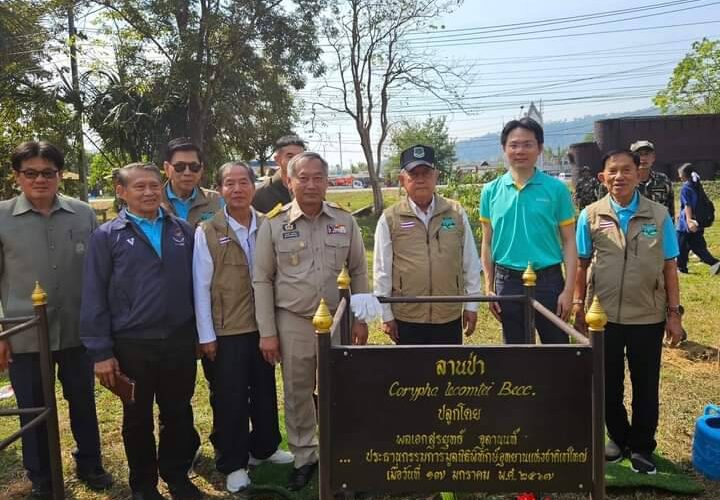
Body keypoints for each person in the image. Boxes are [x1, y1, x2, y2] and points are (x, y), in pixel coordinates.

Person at [80, 163, 202, 500]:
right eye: (139, 187)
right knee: (137, 419)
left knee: (178, 411)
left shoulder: (182, 231)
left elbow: (197, 286)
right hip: (132, 344)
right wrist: (101, 352)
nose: (148, 192)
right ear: (122, 192)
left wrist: (199, 334)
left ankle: (177, 477)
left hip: (178, 340)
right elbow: (94, 295)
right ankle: (143, 486)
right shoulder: (107, 236)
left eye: (153, 186)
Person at [0, 141, 112, 499]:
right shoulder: (1, 217)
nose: (40, 180)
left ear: (59, 175)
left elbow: (100, 273)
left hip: (79, 331)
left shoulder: (82, 214)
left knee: (83, 401)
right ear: (17, 176)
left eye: (48, 172)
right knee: (32, 408)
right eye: (30, 173)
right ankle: (41, 478)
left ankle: (91, 464)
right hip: (25, 333)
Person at [253, 152, 369, 491]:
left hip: (339, 321)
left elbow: (359, 269)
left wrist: (360, 317)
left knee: (342, 390)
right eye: (302, 177)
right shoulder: (274, 224)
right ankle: (305, 457)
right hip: (294, 320)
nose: (311, 184)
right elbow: (262, 279)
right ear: (289, 182)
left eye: (318, 177)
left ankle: (343, 455)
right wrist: (268, 332)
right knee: (298, 392)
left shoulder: (344, 221)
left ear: (327, 181)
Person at [574, 149, 684, 475]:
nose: (619, 176)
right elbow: (581, 265)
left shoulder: (659, 215)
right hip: (602, 317)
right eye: (613, 171)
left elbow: (670, 268)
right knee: (607, 384)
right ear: (602, 178)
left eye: (626, 170)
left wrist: (674, 314)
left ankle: (642, 446)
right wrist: (579, 306)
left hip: (648, 316)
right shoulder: (590, 215)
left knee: (645, 386)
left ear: (639, 174)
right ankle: (618, 439)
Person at [193, 161, 293, 493]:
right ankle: (234, 463)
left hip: (265, 325)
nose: (237, 189)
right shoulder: (208, 230)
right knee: (230, 397)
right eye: (229, 184)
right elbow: (200, 286)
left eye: (243, 183)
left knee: (265, 390)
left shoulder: (270, 224)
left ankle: (264, 449)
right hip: (227, 329)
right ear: (219, 190)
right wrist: (206, 335)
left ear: (254, 185)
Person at [479, 117, 578, 344]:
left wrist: (568, 290)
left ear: (539, 148)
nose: (520, 150)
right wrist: (489, 286)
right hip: (508, 282)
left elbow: (569, 242)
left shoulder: (556, 189)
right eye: (513, 145)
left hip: (549, 280)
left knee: (557, 350)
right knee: (517, 353)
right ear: (504, 149)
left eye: (527, 144)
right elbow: (487, 241)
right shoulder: (490, 191)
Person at [373, 144, 481, 345]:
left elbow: (470, 263)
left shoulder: (455, 213)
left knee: (448, 373)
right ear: (403, 180)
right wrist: (385, 313)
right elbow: (382, 270)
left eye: (426, 173)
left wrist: (472, 305)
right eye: (414, 174)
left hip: (448, 314)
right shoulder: (390, 218)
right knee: (410, 374)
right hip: (407, 316)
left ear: (436, 176)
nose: (421, 179)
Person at [161, 137, 222, 227]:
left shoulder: (216, 200)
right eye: (180, 166)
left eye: (194, 166)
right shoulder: (153, 200)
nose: (187, 172)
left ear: (201, 169)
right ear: (166, 168)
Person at [676, 163, 720, 275]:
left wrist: (689, 220)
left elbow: (687, 205)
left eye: (680, 174)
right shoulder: (696, 185)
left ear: (683, 175)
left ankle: (681, 268)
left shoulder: (686, 187)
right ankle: (715, 263)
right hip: (699, 222)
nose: (679, 177)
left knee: (680, 245)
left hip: (686, 224)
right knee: (698, 247)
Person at [252, 135, 306, 213]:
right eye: (290, 157)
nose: (296, 161)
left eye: (300, 157)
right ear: (277, 160)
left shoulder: (311, 189)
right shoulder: (260, 194)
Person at [630, 140, 675, 220]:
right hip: (633, 230)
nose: (643, 158)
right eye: (639, 154)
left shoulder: (663, 180)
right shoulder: (626, 182)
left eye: (646, 154)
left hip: (659, 228)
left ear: (653, 157)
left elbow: (670, 210)